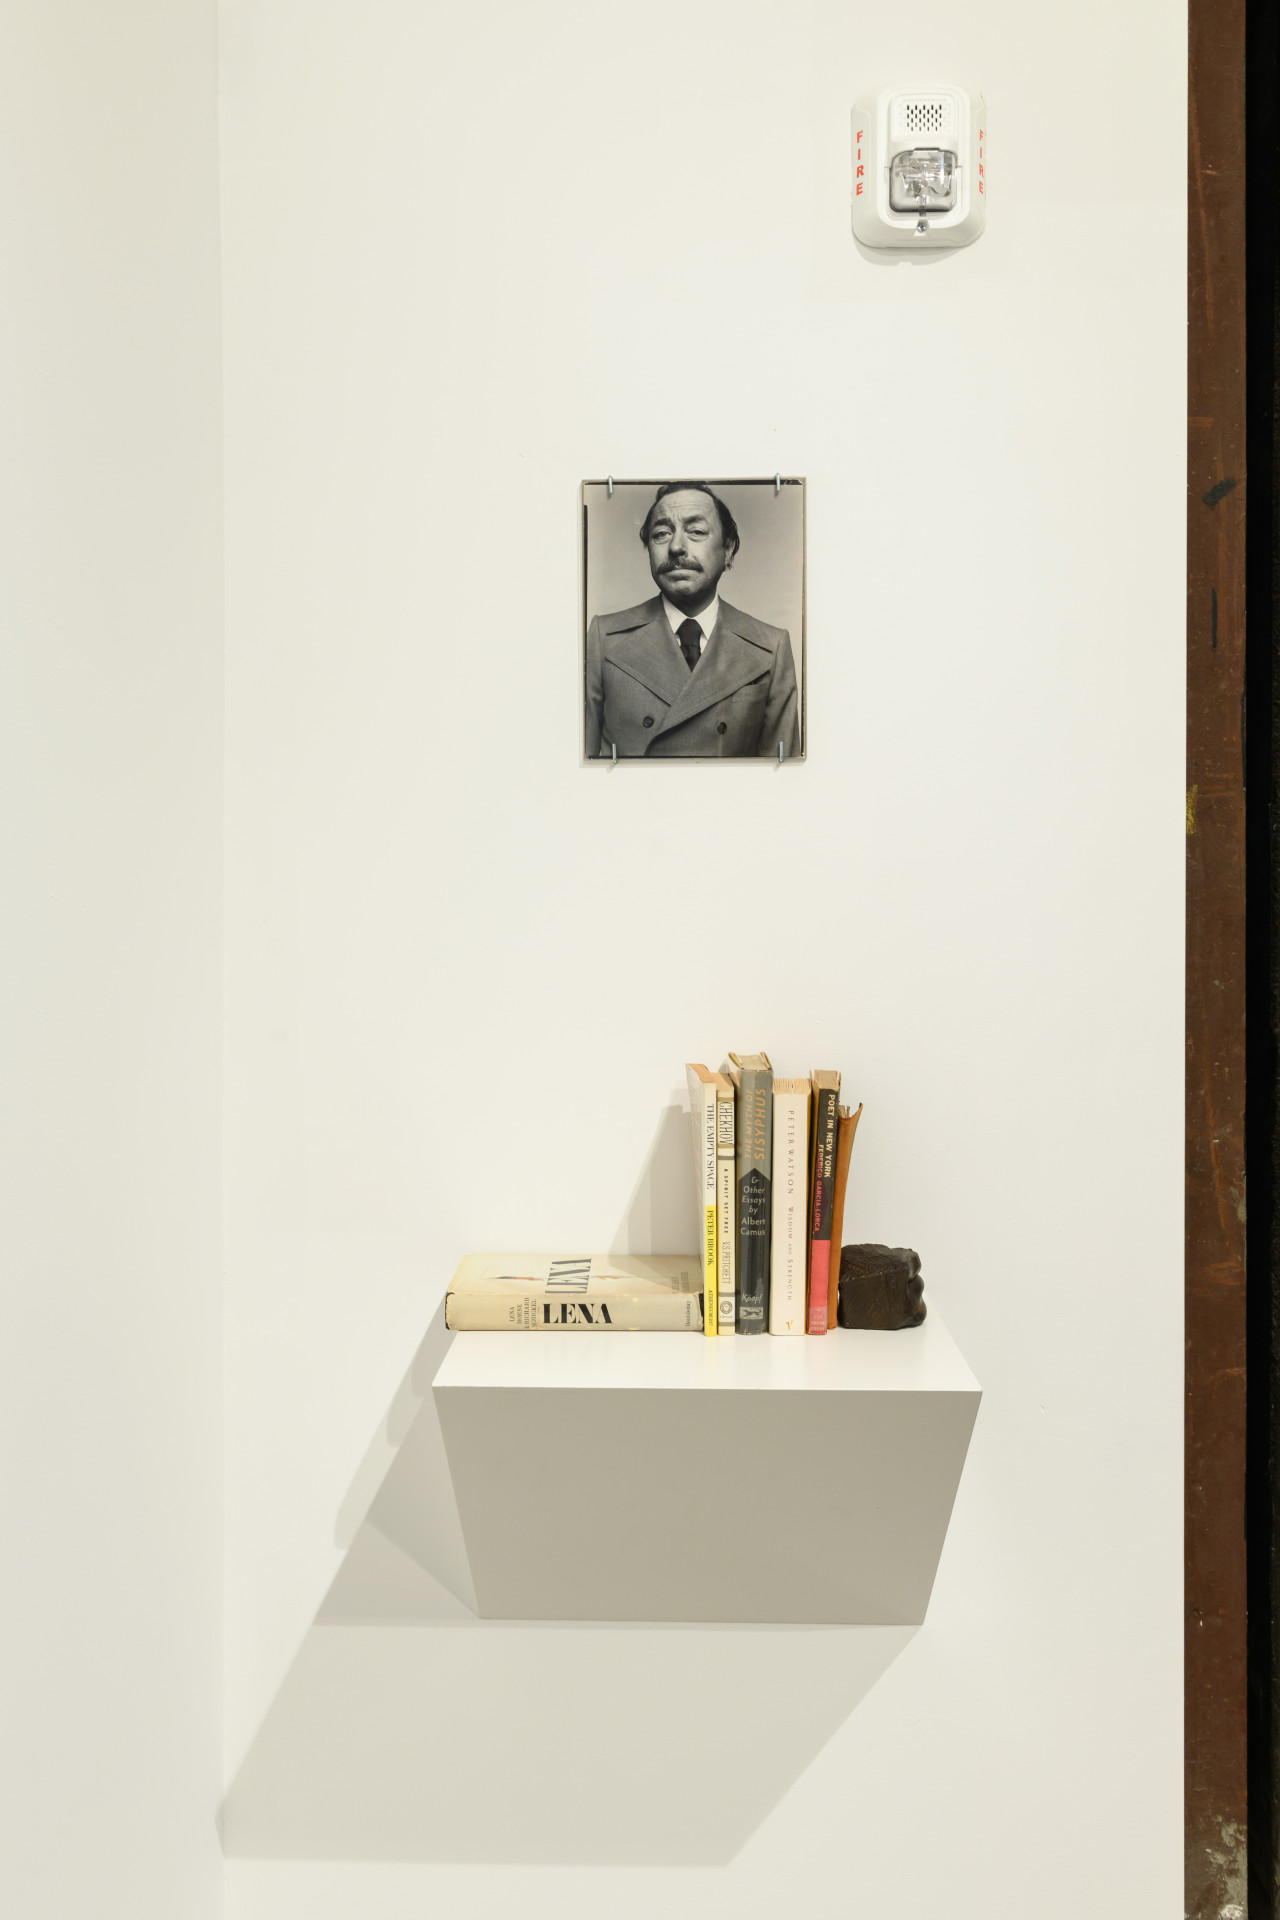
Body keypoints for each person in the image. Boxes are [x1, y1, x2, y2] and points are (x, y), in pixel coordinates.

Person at [585, 483, 801, 759]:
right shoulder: (604, 638)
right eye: (661, 533)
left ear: (728, 550)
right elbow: (578, 772)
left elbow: (782, 782)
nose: (676, 547)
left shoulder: (771, 646)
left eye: (696, 531)